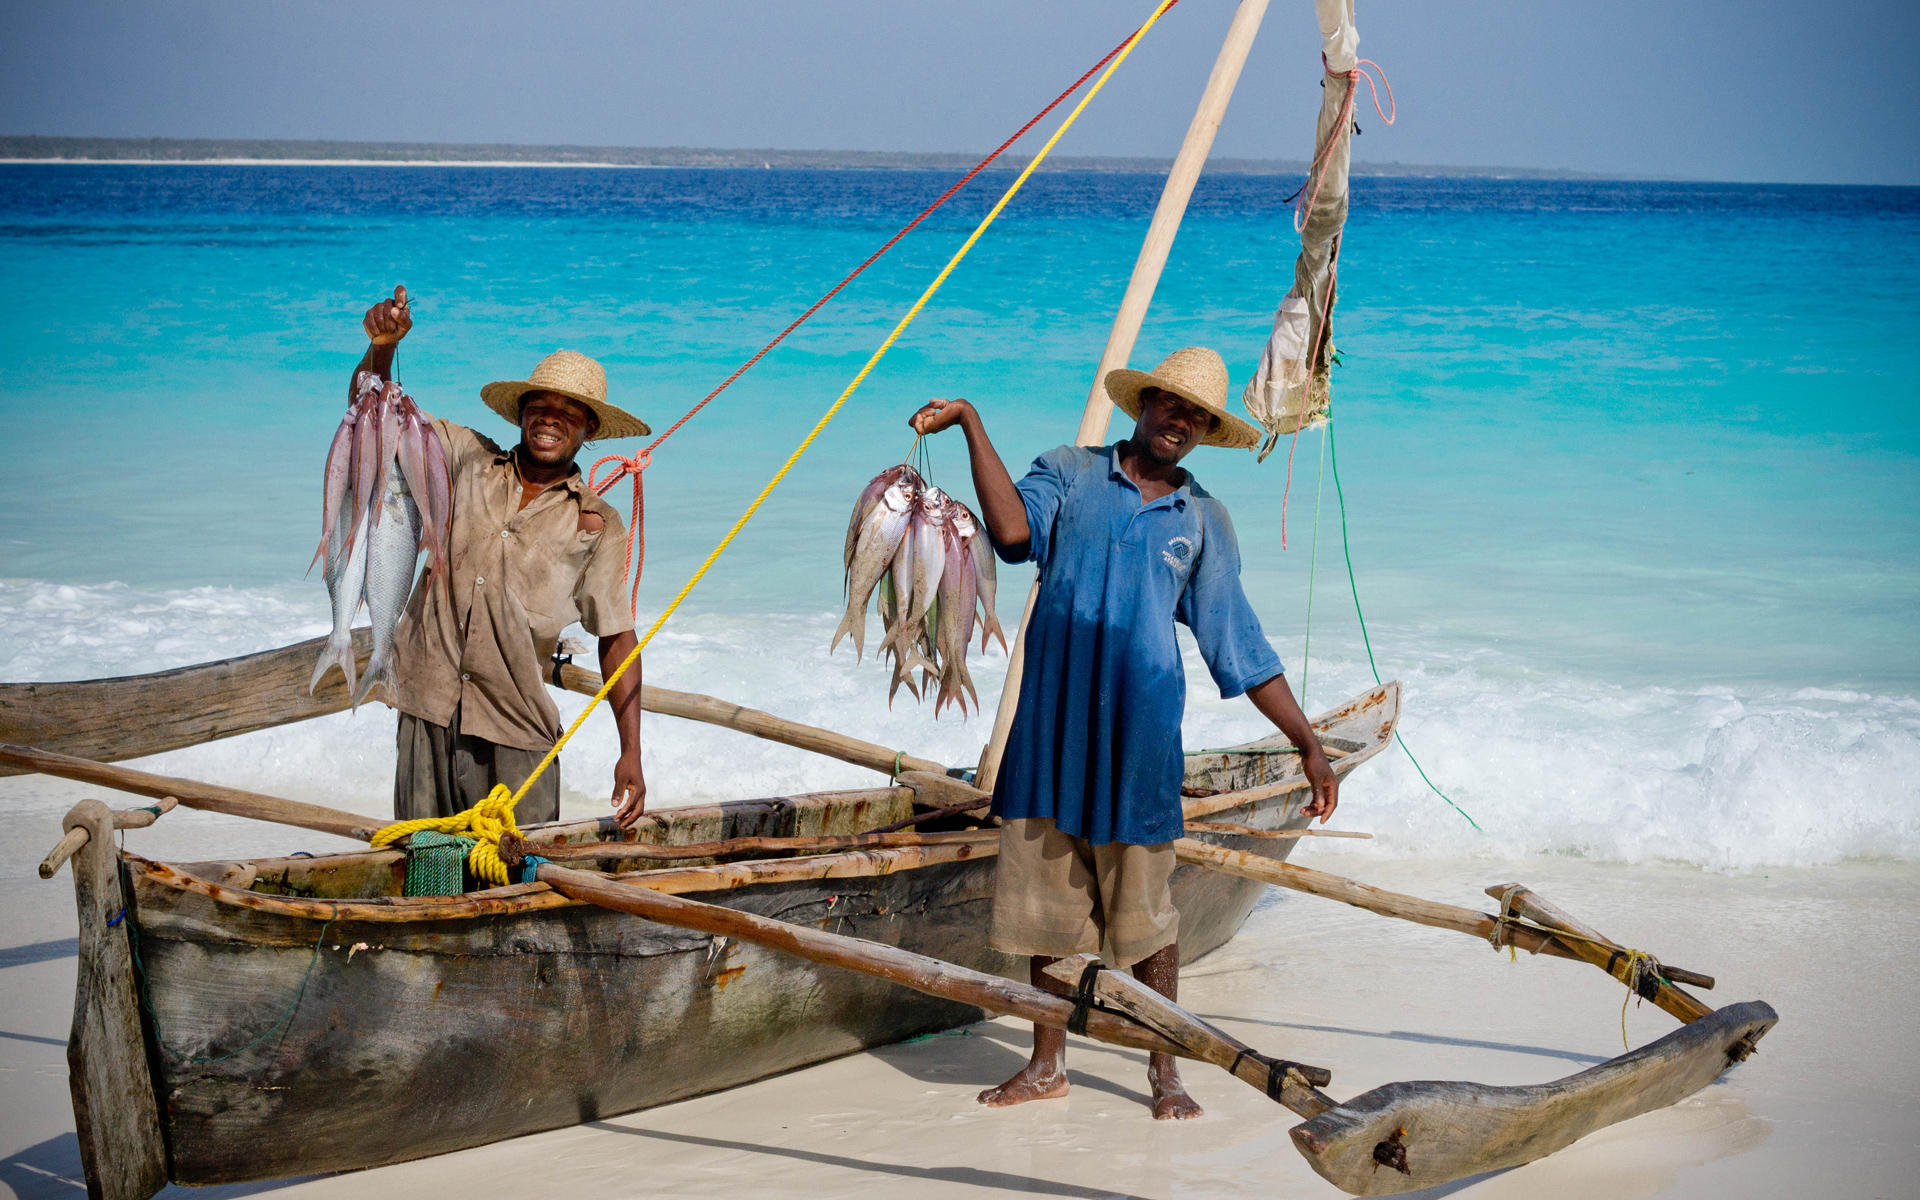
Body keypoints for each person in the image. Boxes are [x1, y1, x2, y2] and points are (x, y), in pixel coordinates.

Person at [908, 345, 1340, 1120]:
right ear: (1142, 406)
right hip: (1049, 733)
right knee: (1045, 913)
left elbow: (1235, 641)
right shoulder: (1070, 473)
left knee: (1149, 921)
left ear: (1208, 432)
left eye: (1199, 417)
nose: (1182, 422)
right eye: (1172, 406)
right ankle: (1047, 1064)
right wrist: (972, 421)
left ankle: (1165, 1070)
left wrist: (1307, 742)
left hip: (1140, 743)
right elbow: (1010, 535)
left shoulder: (1201, 519)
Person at [355, 285, 650, 829]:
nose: (550, 420)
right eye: (540, 407)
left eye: (569, 413)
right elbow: (372, 414)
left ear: (588, 430)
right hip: (426, 705)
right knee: (427, 877)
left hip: (516, 731)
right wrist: (382, 347)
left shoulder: (598, 522)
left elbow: (616, 636)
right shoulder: (465, 458)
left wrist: (630, 751)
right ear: (521, 414)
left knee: (514, 887)